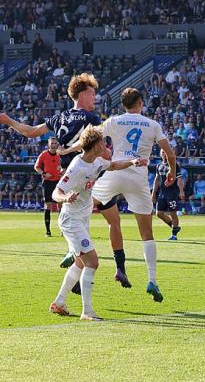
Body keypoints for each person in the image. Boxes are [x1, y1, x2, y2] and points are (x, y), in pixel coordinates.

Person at [0, 73, 103, 294]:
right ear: (83, 94)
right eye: (93, 93)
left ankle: (73, 260)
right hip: (80, 174)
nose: (95, 97)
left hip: (67, 174)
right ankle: (74, 255)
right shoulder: (92, 119)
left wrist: (9, 121)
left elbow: (31, 132)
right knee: (81, 222)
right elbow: (91, 145)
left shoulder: (59, 117)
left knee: (78, 221)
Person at [49, 126, 147, 320]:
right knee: (92, 262)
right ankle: (87, 312)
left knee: (80, 261)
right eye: (102, 142)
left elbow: (113, 166)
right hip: (72, 220)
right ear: (94, 146)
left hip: (81, 219)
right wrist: (66, 197)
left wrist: (133, 162)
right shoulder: (77, 166)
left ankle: (59, 302)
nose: (105, 144)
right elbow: (56, 192)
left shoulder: (96, 161)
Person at [89, 88, 176, 301]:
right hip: (138, 177)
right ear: (140, 102)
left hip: (115, 171)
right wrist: (172, 172)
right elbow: (170, 153)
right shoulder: (152, 124)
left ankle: (73, 250)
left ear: (123, 104)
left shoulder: (114, 121)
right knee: (147, 233)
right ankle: (152, 281)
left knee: (82, 206)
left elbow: (91, 137)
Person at [152, 149, 184, 241]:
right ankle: (174, 226)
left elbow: (179, 179)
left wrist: (181, 191)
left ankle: (174, 235)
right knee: (159, 213)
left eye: (166, 153)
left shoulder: (174, 165)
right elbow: (157, 179)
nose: (164, 155)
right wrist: (154, 192)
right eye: (162, 153)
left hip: (172, 192)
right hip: (162, 192)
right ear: (160, 154)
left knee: (173, 213)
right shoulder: (159, 165)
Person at [34, 137, 62, 237]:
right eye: (52, 143)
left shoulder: (61, 154)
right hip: (47, 182)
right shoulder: (44, 154)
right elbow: (36, 167)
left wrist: (62, 171)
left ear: (57, 144)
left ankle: (62, 230)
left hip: (59, 182)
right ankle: (48, 231)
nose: (53, 145)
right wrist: (44, 173)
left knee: (61, 205)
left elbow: (66, 166)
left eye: (55, 143)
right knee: (48, 205)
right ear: (49, 144)